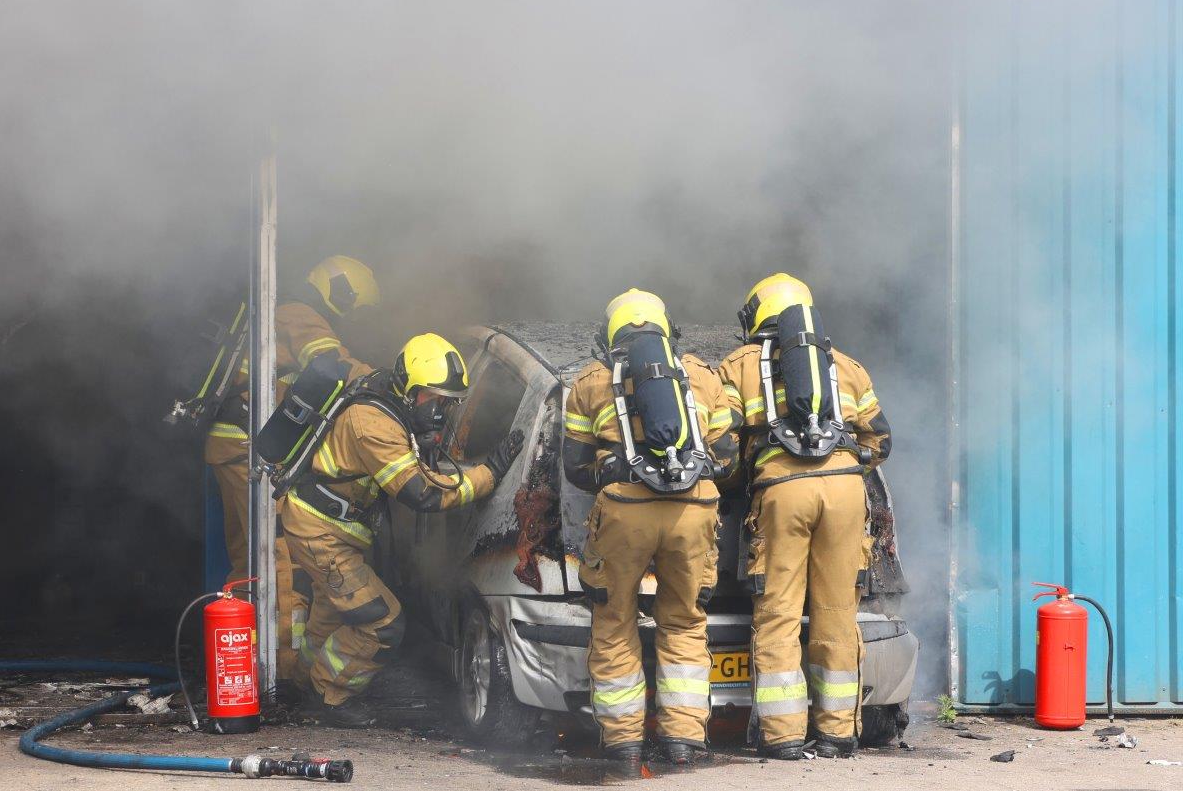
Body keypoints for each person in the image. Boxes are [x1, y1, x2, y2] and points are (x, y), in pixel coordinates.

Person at [280, 332, 524, 727]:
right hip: (320, 532)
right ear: (409, 391)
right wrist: (489, 473)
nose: (442, 412)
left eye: (449, 403)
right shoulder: (372, 426)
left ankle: (297, 682)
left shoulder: (387, 396)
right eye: (435, 399)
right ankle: (329, 696)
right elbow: (423, 494)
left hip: (335, 526)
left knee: (328, 616)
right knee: (382, 621)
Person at [716, 273, 892, 760]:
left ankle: (784, 736)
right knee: (837, 614)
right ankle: (837, 733)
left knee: (779, 615)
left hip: (782, 493)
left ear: (756, 315)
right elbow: (881, 441)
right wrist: (842, 469)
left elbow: (723, 447)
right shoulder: (847, 367)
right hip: (845, 493)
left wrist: (739, 481)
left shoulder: (740, 365)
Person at [562, 289, 739, 769]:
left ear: (611, 333)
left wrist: (615, 466)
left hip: (624, 511)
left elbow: (575, 469)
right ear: (667, 329)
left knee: (615, 620)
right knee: (684, 620)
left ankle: (624, 743)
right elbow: (727, 459)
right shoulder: (703, 377)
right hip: (695, 510)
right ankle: (683, 741)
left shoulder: (590, 382)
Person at [204, 255, 378, 684]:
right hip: (250, 450)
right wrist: (381, 381)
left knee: (248, 557)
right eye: (356, 305)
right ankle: (278, 674)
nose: (356, 314)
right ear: (343, 291)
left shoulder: (282, 311)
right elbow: (328, 364)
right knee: (275, 558)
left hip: (235, 447)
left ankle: (241, 666)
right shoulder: (302, 313)